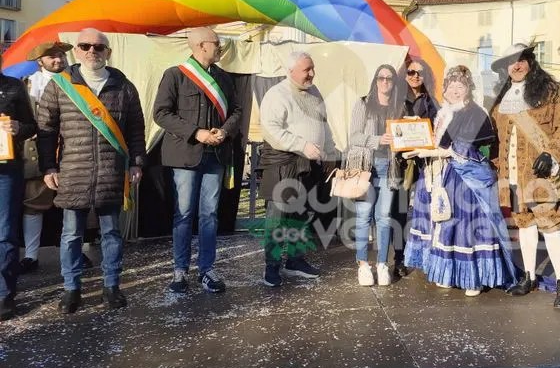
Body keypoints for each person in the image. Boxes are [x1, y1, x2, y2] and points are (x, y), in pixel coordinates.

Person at [37, 28, 146, 313]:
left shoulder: (124, 87)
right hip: (73, 170)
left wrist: (137, 162)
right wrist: (47, 166)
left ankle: (111, 286)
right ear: (76, 51)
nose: (91, 52)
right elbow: (46, 130)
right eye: (85, 46)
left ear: (108, 53)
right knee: (71, 234)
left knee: (111, 234)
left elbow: (136, 129)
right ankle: (71, 289)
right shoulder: (60, 85)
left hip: (112, 172)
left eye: (98, 47)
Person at [404, 65, 515, 296]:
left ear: (469, 89)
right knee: (447, 221)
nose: (456, 90)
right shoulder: (445, 111)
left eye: (461, 86)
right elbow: (438, 143)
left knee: (467, 222)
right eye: (452, 85)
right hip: (445, 173)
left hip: (467, 175)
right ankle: (450, 273)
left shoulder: (475, 112)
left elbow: (462, 147)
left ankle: (472, 277)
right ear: (445, 88)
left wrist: (433, 152)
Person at [153, 27, 242, 294]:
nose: (220, 47)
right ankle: (180, 271)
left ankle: (207, 270)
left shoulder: (224, 78)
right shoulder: (175, 76)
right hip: (185, 155)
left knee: (209, 215)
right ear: (201, 46)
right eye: (217, 43)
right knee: (183, 215)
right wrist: (197, 133)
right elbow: (161, 113)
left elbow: (237, 111)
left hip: (215, 155)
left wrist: (225, 131)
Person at [489, 44, 560, 309]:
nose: (515, 66)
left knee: (549, 226)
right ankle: (528, 277)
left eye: (520, 61)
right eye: (510, 62)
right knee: (524, 225)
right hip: (512, 177)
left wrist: (550, 154)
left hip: (540, 177)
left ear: (529, 62)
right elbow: (495, 140)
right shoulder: (500, 101)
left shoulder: (548, 93)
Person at [259, 51, 336, 287]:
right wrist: (301, 145)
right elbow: (271, 130)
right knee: (278, 217)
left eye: (312, 68)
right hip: (284, 164)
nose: (312, 74)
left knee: (302, 215)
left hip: (310, 165)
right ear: (291, 71)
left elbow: (325, 126)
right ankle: (271, 267)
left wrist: (330, 152)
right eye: (306, 70)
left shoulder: (314, 92)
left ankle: (294, 260)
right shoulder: (277, 94)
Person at [19, 42, 71, 273]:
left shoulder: (76, 82)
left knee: (73, 203)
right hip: (38, 150)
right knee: (34, 202)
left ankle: (73, 251)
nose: (58, 59)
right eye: (51, 56)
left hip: (71, 149)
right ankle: (31, 255)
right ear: (40, 61)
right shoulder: (28, 85)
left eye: (60, 54)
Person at [349, 64, 403, 286]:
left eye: (389, 78)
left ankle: (382, 264)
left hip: (388, 168)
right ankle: (363, 265)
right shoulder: (363, 103)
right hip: (366, 167)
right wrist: (377, 140)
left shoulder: (398, 107)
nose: (384, 82)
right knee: (363, 217)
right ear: (375, 80)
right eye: (380, 77)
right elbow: (353, 136)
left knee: (384, 219)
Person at [0, 51, 37, 321]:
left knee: (5, 233)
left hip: (6, 170)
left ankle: (4, 294)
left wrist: (18, 127)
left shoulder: (13, 87)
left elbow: (30, 126)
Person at [395, 57, 439, 279]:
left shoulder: (431, 101)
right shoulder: (396, 98)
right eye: (411, 72)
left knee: (425, 211)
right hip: (401, 162)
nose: (414, 76)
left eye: (419, 73)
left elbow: (439, 129)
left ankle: (427, 255)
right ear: (404, 74)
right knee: (400, 211)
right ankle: (399, 258)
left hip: (424, 162)